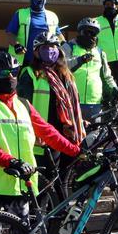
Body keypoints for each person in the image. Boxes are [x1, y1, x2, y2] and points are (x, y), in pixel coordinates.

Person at [0, 51, 81, 223]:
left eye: (14, 72)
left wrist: (76, 151)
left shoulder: (24, 105)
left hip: (20, 181)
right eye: (4, 73)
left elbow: (47, 132)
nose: (11, 77)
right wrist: (11, 161)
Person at [18, 35, 85, 187]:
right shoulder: (30, 73)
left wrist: (78, 122)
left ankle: (61, 209)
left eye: (54, 47)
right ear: (36, 52)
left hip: (67, 134)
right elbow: (22, 107)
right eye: (45, 47)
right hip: (43, 137)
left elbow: (72, 104)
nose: (50, 50)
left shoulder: (66, 74)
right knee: (46, 182)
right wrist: (33, 133)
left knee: (63, 179)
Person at [64, 18, 118, 121]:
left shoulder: (100, 52)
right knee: (73, 135)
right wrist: (79, 60)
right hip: (73, 101)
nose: (89, 35)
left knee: (94, 135)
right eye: (86, 32)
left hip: (95, 103)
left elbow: (107, 77)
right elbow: (62, 67)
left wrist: (115, 89)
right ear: (80, 32)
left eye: (93, 33)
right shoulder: (69, 47)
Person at [6, 0, 62, 65]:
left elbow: (59, 36)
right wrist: (16, 45)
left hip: (47, 62)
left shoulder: (52, 16)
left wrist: (66, 46)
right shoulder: (20, 14)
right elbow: (10, 34)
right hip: (24, 61)